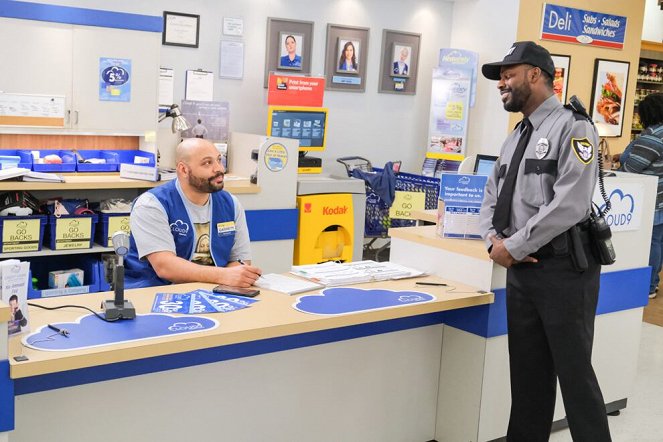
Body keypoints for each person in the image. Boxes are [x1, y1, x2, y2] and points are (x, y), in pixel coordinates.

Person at [478, 41, 611, 441]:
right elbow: (491, 195)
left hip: (564, 273)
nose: (501, 82)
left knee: (575, 379)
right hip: (521, 274)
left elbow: (570, 204)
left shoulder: (575, 126)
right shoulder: (515, 134)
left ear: (535, 74)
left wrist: (512, 246)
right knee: (528, 377)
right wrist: (492, 243)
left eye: (508, 73)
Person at [125, 138, 261, 289]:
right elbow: (165, 267)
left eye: (218, 160)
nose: (219, 169)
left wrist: (232, 277)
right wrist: (224, 276)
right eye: (207, 163)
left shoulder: (231, 204)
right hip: (156, 289)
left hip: (214, 289)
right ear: (183, 170)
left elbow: (240, 260)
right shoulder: (151, 204)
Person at [614, 92, 663, 299]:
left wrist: (620, 163)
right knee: (658, 242)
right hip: (661, 198)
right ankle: (653, 282)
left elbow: (631, 169)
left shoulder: (651, 137)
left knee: (649, 243)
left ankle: (647, 286)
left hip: (650, 202)